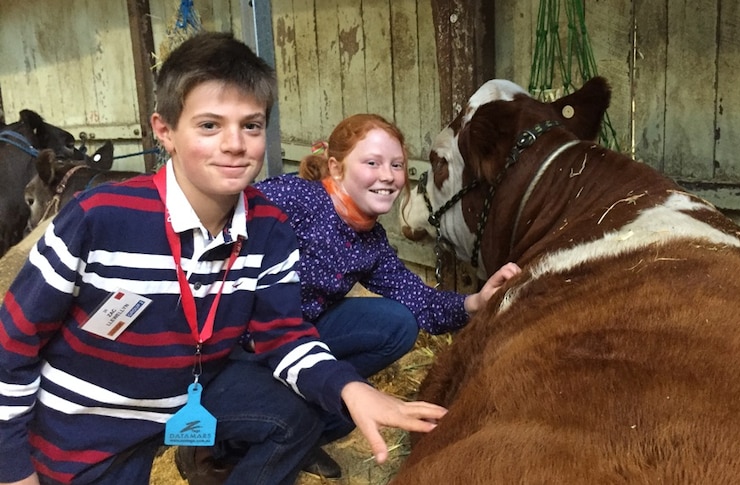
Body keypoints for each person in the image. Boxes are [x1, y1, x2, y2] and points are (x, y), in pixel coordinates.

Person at [0, 32, 445, 485]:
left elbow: (283, 333)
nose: (235, 144)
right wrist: (14, 470)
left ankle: (212, 460)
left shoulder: (269, 226)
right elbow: (11, 345)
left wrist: (349, 388)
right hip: (86, 431)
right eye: (210, 126)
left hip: (191, 386)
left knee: (297, 419)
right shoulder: (100, 217)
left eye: (251, 126)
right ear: (165, 131)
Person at [186, 114, 521, 480]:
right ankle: (216, 445)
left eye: (396, 165)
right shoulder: (295, 199)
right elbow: (214, 217)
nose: (388, 175)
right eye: (372, 163)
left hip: (294, 338)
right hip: (228, 344)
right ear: (336, 166)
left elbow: (419, 301)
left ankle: (303, 422)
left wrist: (475, 301)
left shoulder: (371, 242)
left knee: (396, 327)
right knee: (294, 420)